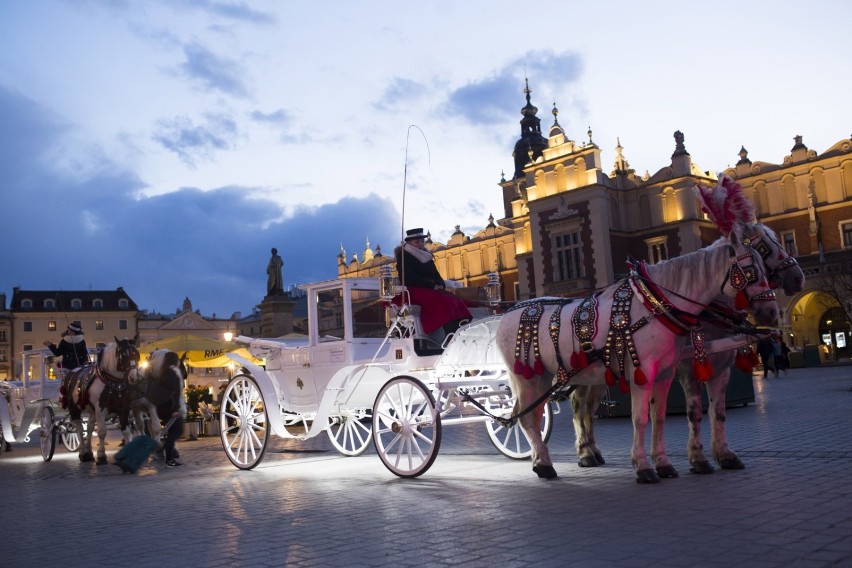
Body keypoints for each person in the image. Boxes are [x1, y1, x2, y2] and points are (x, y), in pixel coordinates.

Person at [394, 228, 472, 336]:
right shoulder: (404, 256)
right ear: (409, 243)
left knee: (456, 301)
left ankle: (460, 327)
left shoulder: (427, 256)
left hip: (431, 289)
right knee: (445, 303)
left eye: (422, 241)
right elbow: (408, 278)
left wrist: (440, 284)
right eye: (417, 242)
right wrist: (430, 284)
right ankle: (449, 332)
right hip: (415, 290)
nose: (421, 244)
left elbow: (436, 275)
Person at [147, 351, 186, 467]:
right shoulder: (173, 372)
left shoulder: (164, 371)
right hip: (171, 407)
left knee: (173, 433)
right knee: (176, 432)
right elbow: (174, 392)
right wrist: (175, 409)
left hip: (164, 407)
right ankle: (166, 456)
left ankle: (166, 454)